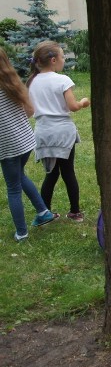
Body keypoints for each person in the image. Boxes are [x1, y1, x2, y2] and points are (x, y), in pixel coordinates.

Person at [27, 41, 90, 222]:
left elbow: (30, 110)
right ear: (53, 60)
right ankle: (75, 212)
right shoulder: (63, 80)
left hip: (43, 132)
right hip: (63, 133)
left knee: (51, 174)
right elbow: (73, 106)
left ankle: (44, 212)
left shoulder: (32, 82)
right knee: (68, 172)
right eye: (63, 56)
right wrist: (83, 102)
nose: (64, 59)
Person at [0, 48, 58, 240]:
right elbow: (30, 110)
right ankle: (43, 212)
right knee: (20, 176)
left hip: (7, 147)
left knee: (13, 187)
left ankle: (21, 233)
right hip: (25, 141)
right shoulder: (13, 82)